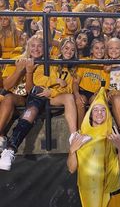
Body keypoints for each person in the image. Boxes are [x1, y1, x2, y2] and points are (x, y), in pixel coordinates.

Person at [0, 36, 78, 171]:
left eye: (40, 46)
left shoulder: (49, 62)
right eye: (33, 46)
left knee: (37, 97)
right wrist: (21, 70)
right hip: (19, 97)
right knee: (12, 99)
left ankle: (11, 148)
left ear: (45, 48)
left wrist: (51, 89)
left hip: (36, 98)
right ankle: (8, 146)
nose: (36, 49)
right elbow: (8, 86)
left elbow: (36, 88)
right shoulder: (18, 59)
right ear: (27, 47)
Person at [67, 87, 120, 207]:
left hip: (113, 195)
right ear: (90, 114)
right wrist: (72, 151)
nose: (99, 113)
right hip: (90, 196)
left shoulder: (115, 134)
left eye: (103, 110)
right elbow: (71, 169)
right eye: (96, 110)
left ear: (108, 113)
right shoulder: (81, 136)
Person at [73, 38, 110, 128]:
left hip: (96, 92)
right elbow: (75, 82)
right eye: (96, 48)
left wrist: (100, 91)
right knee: (80, 101)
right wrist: (77, 95)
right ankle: (80, 130)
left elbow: (104, 84)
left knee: (96, 102)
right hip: (83, 90)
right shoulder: (84, 61)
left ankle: (94, 131)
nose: (99, 51)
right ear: (92, 50)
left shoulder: (106, 65)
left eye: (102, 48)